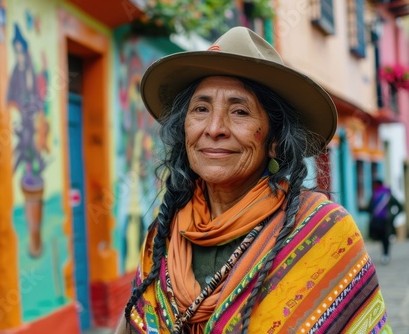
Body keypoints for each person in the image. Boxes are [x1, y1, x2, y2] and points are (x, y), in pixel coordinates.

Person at [116, 27, 391, 333]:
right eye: (201, 109)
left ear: (274, 140)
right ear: (184, 131)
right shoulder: (163, 235)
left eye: (240, 111)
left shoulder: (324, 232)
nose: (215, 128)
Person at [367, 179, 404, 265]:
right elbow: (370, 208)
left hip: (386, 221)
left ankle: (386, 254)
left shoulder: (388, 195)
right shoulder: (375, 195)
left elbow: (399, 206)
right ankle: (384, 254)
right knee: (381, 238)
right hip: (378, 221)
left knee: (385, 238)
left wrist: (392, 216)